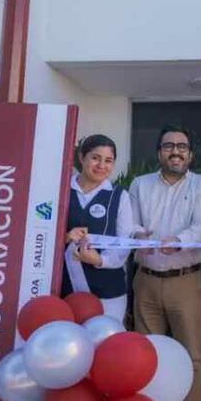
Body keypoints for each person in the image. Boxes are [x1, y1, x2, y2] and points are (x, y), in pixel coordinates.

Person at [129, 126, 201, 401]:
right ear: (159, 152)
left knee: (191, 356)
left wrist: (177, 241)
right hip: (146, 279)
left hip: (185, 281)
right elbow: (130, 224)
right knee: (145, 357)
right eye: (168, 146)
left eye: (182, 146)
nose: (175, 151)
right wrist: (140, 235)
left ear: (190, 154)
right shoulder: (140, 185)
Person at [63, 135, 134, 323]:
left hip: (108, 291)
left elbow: (124, 242)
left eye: (108, 161)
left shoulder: (119, 196)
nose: (102, 165)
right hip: (64, 288)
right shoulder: (61, 191)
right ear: (81, 157)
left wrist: (100, 260)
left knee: (106, 338)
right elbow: (41, 232)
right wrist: (65, 238)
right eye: (95, 158)